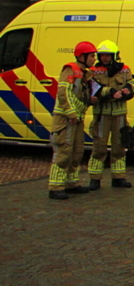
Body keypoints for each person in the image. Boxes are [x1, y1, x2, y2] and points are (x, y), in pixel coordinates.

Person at [47, 41, 96, 200]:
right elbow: (64, 94)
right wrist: (72, 113)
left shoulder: (84, 74)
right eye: (92, 55)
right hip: (65, 120)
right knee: (64, 152)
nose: (94, 59)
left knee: (76, 151)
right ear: (82, 56)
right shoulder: (70, 70)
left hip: (76, 120)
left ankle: (71, 183)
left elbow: (80, 95)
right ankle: (55, 186)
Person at [86, 40, 134, 190]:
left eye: (108, 55)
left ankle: (118, 178)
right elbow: (93, 88)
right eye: (102, 55)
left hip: (120, 114)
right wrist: (110, 92)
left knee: (119, 147)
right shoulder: (94, 71)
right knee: (99, 147)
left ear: (114, 55)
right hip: (102, 114)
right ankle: (95, 179)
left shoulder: (124, 69)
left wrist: (129, 89)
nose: (105, 58)